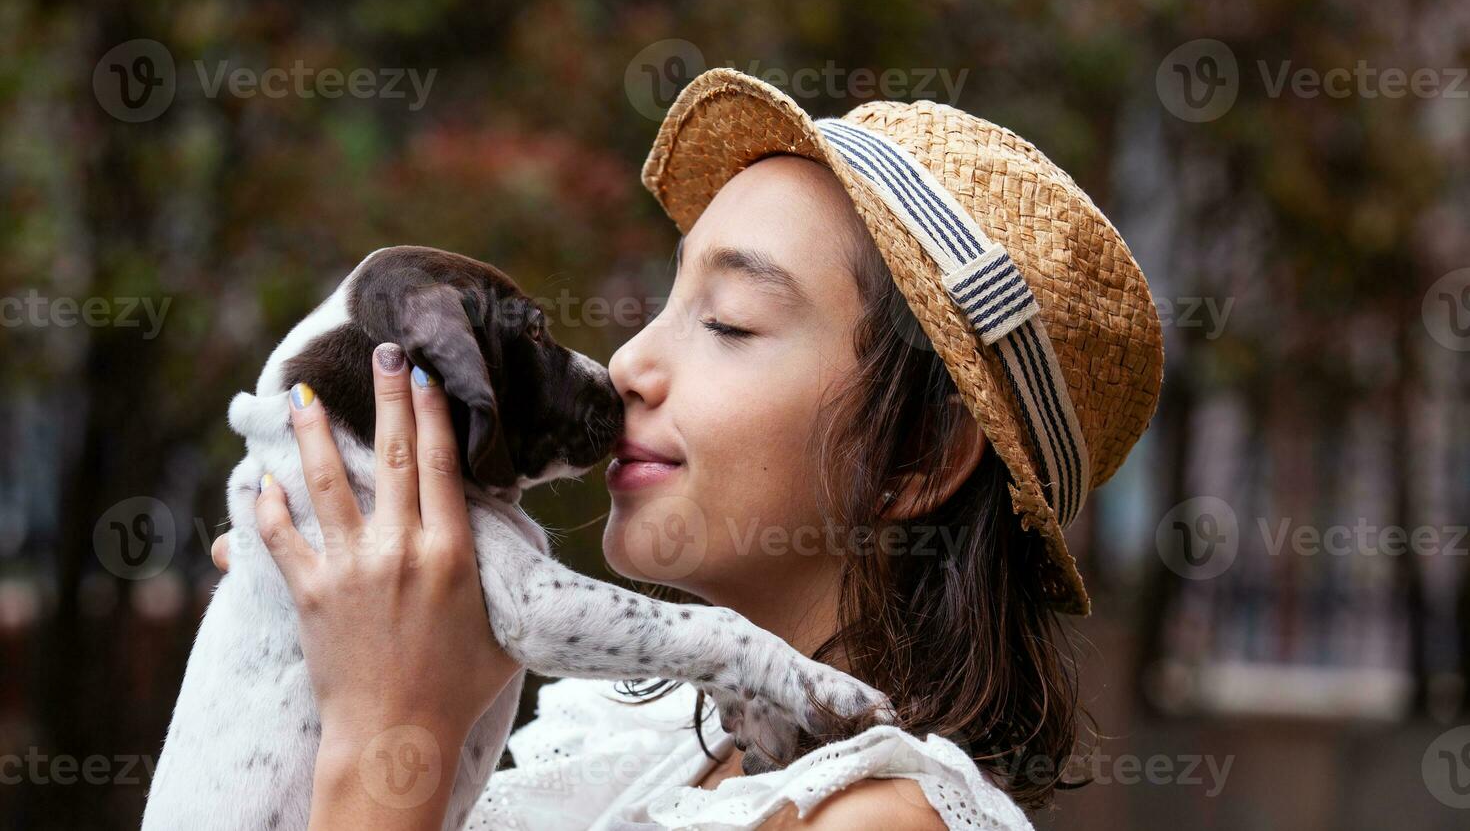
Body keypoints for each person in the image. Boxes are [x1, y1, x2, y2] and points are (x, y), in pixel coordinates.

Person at [211, 68, 1164, 829]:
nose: (626, 361)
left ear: (919, 452)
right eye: (666, 303)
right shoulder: (649, 754)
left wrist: (389, 728)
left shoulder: (874, 821)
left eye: (731, 322)